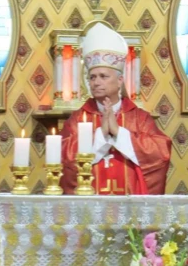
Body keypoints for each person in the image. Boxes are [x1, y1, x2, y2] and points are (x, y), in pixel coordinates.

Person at [61, 23, 171, 195]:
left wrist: (119, 133)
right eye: (92, 77)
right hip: (89, 206)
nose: (96, 82)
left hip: (130, 207)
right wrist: (100, 135)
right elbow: (63, 157)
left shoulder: (139, 118)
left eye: (103, 76)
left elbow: (160, 152)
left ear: (120, 80)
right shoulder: (78, 119)